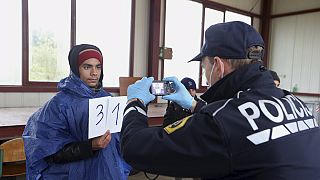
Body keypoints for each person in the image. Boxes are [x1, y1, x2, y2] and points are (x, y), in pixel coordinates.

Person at [120, 21, 320, 179]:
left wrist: (135, 101)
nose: (206, 74)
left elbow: (134, 147)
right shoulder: (292, 101)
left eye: (204, 67)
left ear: (218, 65)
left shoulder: (221, 123)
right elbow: (240, 124)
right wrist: (193, 104)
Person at [23, 44, 130, 180]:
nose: (94, 73)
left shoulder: (108, 100)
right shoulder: (59, 104)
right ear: (75, 68)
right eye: (87, 67)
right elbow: (48, 153)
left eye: (98, 67)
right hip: (75, 173)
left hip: (108, 171)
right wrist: (89, 146)